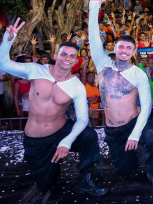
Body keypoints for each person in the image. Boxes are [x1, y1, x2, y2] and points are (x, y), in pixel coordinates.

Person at [0, 19, 107, 195]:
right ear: (56, 55)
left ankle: (85, 180)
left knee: (88, 135)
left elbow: (82, 119)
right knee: (46, 185)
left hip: (61, 131)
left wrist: (67, 140)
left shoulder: (76, 86)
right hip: (37, 140)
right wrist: (7, 41)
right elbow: (3, 65)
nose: (67, 59)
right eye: (64, 54)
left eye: (72, 56)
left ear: (75, 61)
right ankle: (52, 165)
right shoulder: (35, 70)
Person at [88, 0, 153, 190]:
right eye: (120, 47)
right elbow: (94, 39)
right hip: (113, 130)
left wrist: (135, 133)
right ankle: (137, 151)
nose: (124, 51)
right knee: (124, 171)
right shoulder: (102, 64)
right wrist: (93, 6)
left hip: (135, 122)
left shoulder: (138, 74)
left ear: (134, 52)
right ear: (114, 48)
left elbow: (147, 107)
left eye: (128, 48)